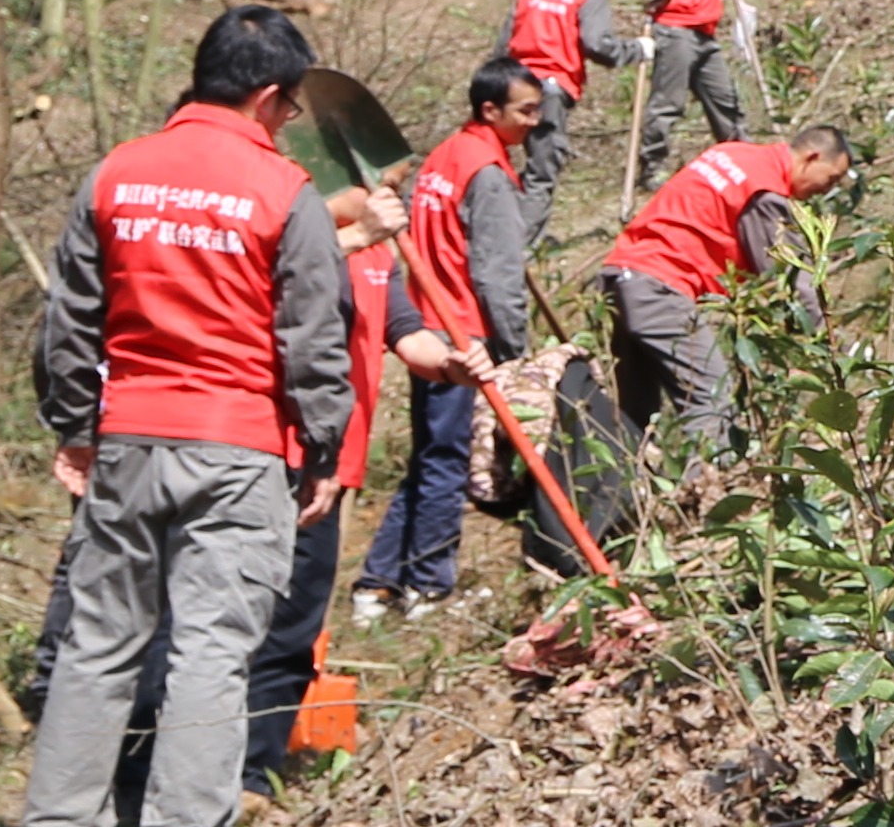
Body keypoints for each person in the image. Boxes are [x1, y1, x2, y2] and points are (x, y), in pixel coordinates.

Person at [20, 6, 353, 827]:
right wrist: (322, 454)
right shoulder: (287, 194)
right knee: (212, 643)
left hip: (128, 438)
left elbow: (68, 324)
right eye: (288, 112)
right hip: (239, 449)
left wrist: (74, 428)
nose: (288, 128)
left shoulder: (117, 174)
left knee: (98, 635)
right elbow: (314, 341)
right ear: (270, 96)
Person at [237, 179, 406, 789]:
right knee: (231, 617)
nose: (384, 192)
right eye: (368, 184)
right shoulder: (270, 235)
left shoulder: (383, 259)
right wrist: (356, 235)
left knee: (295, 623)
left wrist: (449, 360)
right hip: (258, 452)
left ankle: (256, 770)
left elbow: (403, 327)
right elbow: (260, 292)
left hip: (329, 465)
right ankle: (180, 765)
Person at [368, 59, 549, 616]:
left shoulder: (445, 156)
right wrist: (513, 352)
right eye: (526, 111)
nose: (535, 122)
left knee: (430, 455)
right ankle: (427, 585)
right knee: (449, 460)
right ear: (489, 110)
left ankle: (378, 581)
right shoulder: (487, 172)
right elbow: (497, 273)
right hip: (461, 333)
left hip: (426, 325)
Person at [592, 120, 850, 488]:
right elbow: (788, 278)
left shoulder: (734, 155)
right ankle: (708, 502)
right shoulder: (764, 191)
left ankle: (614, 513)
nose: (825, 191)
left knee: (634, 414)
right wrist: (825, 341)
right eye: (830, 179)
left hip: (621, 275)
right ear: (812, 157)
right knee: (712, 395)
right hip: (661, 286)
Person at [629, 0, 749, 187]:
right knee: (669, 102)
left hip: (705, 34)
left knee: (725, 98)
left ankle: (742, 159)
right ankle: (652, 167)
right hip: (676, 30)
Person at [502, 0, 630, 216]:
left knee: (494, 164)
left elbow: (505, 41)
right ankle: (520, 248)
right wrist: (636, 50)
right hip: (549, 87)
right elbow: (598, 45)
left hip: (512, 84)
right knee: (541, 172)